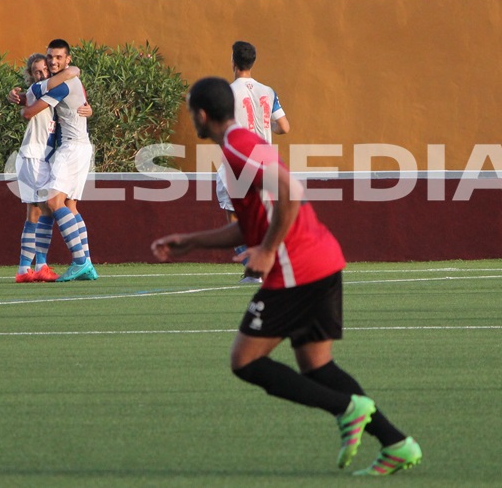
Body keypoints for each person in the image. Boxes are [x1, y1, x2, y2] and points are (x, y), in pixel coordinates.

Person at [152, 77, 422, 476]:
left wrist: (267, 250)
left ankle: (347, 408)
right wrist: (191, 241)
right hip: (322, 260)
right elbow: (251, 225)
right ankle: (398, 443)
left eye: (191, 110)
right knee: (317, 366)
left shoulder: (237, 147)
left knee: (245, 361)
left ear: (202, 115)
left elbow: (291, 193)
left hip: (298, 268)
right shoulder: (241, 143)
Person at [20, 39, 98, 282]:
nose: (53, 61)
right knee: (69, 206)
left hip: (71, 148)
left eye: (58, 58)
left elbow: (30, 111)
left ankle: (79, 261)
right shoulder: (71, 80)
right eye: (50, 57)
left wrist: (26, 100)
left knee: (52, 202)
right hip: (81, 147)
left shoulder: (62, 85)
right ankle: (87, 263)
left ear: (68, 59)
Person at [215, 41, 290, 283]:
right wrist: (268, 127)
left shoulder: (227, 92)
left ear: (233, 62)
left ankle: (254, 268)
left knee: (233, 215)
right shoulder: (268, 91)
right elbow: (285, 128)